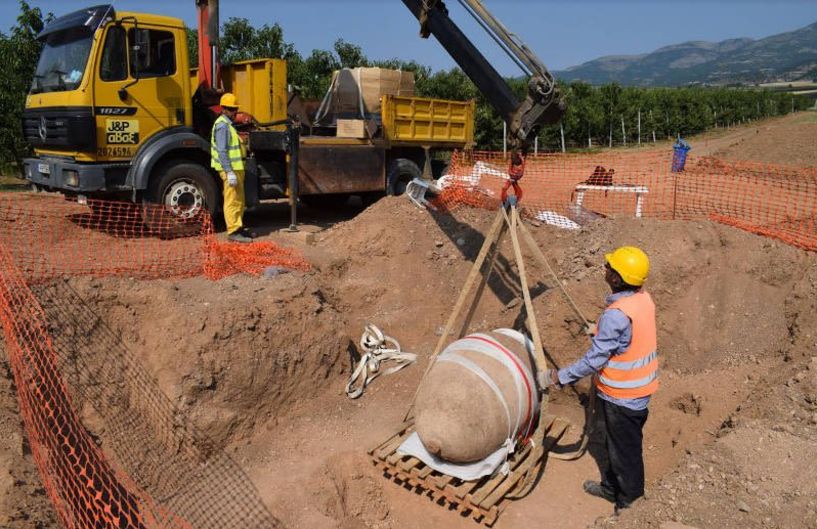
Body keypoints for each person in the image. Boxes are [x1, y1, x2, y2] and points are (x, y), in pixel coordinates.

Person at [538, 246, 657, 512]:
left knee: (625, 454)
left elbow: (594, 360)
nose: (605, 269)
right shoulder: (643, 298)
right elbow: (628, 336)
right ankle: (610, 488)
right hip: (634, 391)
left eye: (609, 267)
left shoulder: (617, 314)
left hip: (623, 396)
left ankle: (629, 508)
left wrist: (559, 377)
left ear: (616, 278)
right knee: (614, 445)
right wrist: (602, 332)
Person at [211, 93, 253, 243]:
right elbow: (222, 151)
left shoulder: (227, 124)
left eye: (235, 108)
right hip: (231, 170)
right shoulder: (222, 125)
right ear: (224, 109)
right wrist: (229, 172)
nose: (235, 111)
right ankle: (233, 231)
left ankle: (238, 227)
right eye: (231, 109)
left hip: (236, 168)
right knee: (232, 200)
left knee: (239, 200)